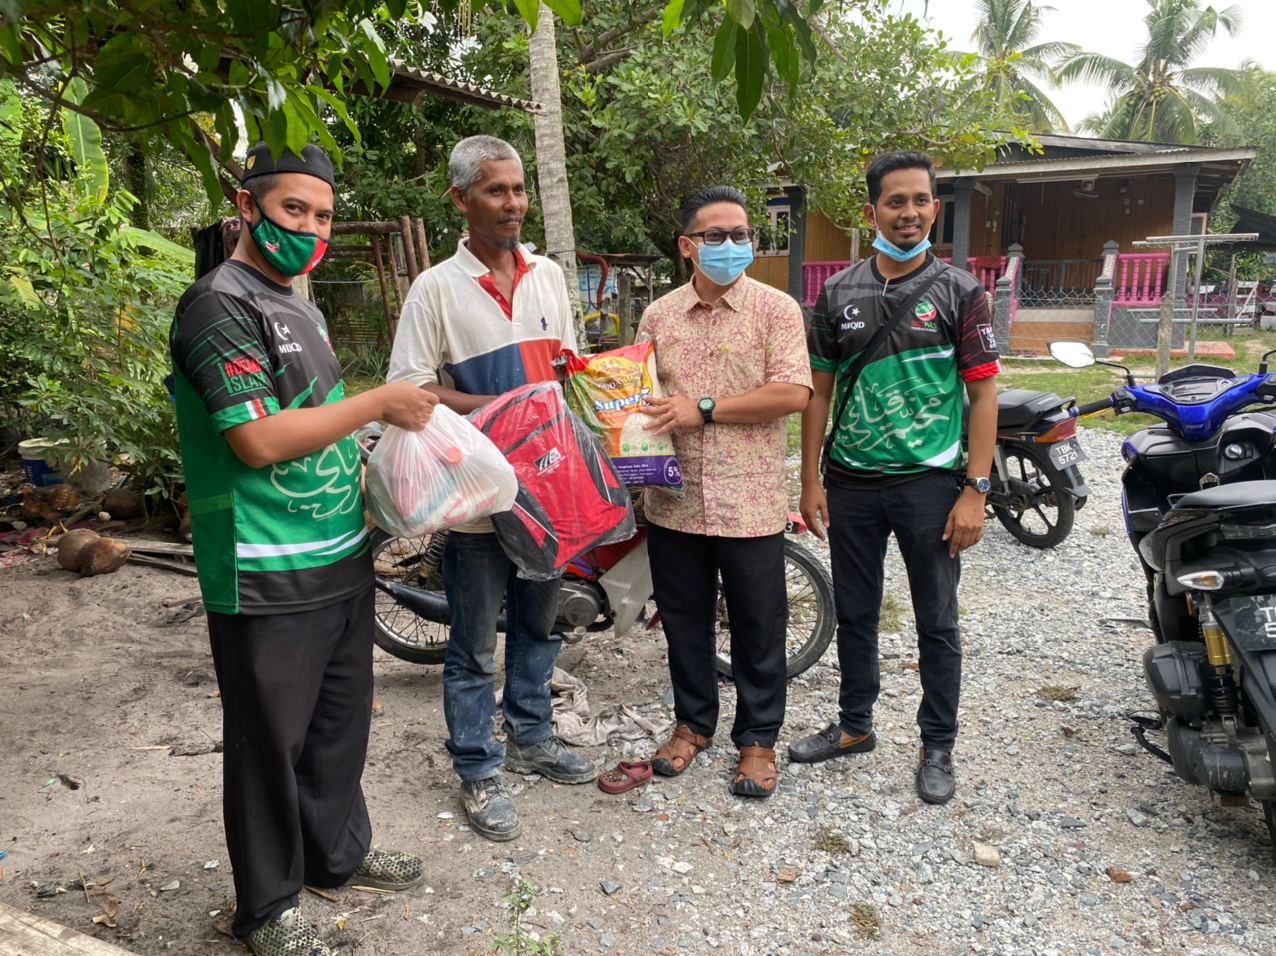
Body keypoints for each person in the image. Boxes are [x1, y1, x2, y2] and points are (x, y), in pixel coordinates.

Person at [169, 143, 437, 956]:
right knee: (267, 744)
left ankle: (336, 859)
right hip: (261, 567)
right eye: (294, 210)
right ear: (247, 208)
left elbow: (318, 421)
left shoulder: (303, 306)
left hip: (338, 556)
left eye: (322, 215)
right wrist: (377, 406)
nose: (310, 229)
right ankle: (269, 906)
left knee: (337, 729)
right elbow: (255, 439)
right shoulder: (217, 305)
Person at [387, 135, 594, 842]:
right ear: (460, 199)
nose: (513, 203)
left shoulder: (547, 276)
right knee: (473, 646)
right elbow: (406, 389)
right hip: (477, 501)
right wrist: (507, 411)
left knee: (540, 626)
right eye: (496, 190)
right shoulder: (435, 289)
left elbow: (564, 371)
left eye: (518, 188)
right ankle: (477, 767)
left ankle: (532, 737)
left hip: (548, 495)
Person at [792, 150, 1001, 805]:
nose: (907, 213)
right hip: (851, 483)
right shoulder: (837, 293)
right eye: (894, 201)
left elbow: (984, 397)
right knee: (855, 613)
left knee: (937, 621)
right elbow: (817, 394)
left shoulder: (963, 293)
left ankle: (937, 745)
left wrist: (976, 488)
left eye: (919, 201)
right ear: (871, 211)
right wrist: (809, 479)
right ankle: (855, 726)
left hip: (930, 485)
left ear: (934, 209)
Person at [638, 186, 811, 798]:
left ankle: (758, 739)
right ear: (688, 247)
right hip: (674, 500)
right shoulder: (659, 316)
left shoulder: (777, 310)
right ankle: (692, 726)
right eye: (717, 236)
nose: (733, 245)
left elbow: (793, 393)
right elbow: (642, 399)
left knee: (758, 624)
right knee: (683, 622)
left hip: (751, 499)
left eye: (742, 235)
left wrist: (703, 409)